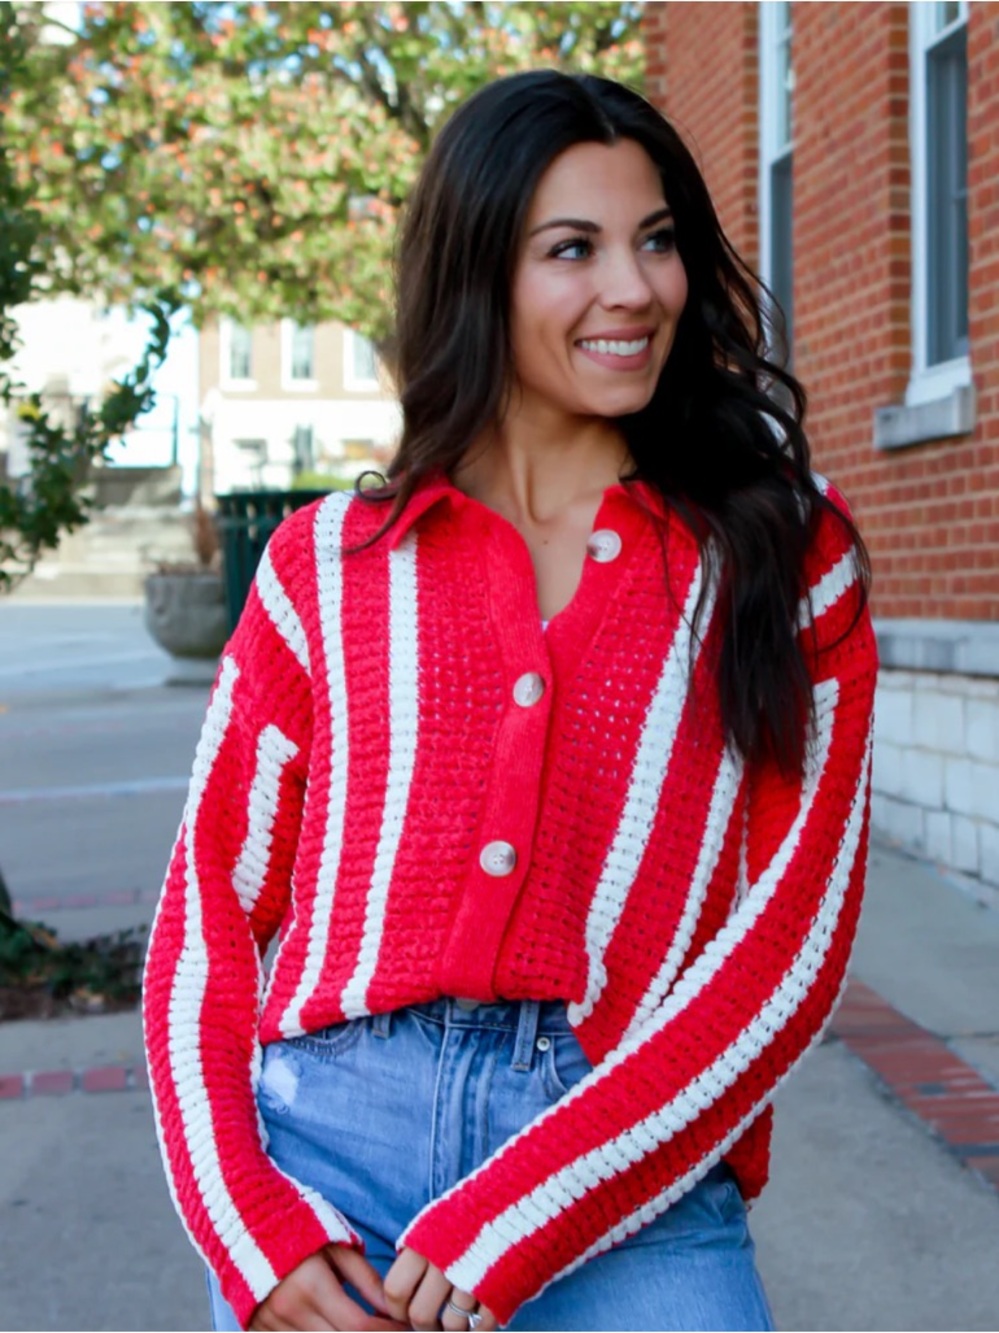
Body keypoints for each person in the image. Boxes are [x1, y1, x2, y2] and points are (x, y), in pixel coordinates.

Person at [143, 69, 878, 1333]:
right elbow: (209, 918)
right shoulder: (328, 568)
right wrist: (250, 1233)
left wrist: (531, 1205)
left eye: (657, 242)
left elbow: (790, 944)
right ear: (480, 273)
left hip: (626, 1174)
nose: (634, 289)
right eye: (572, 250)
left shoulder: (780, 557)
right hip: (328, 1167)